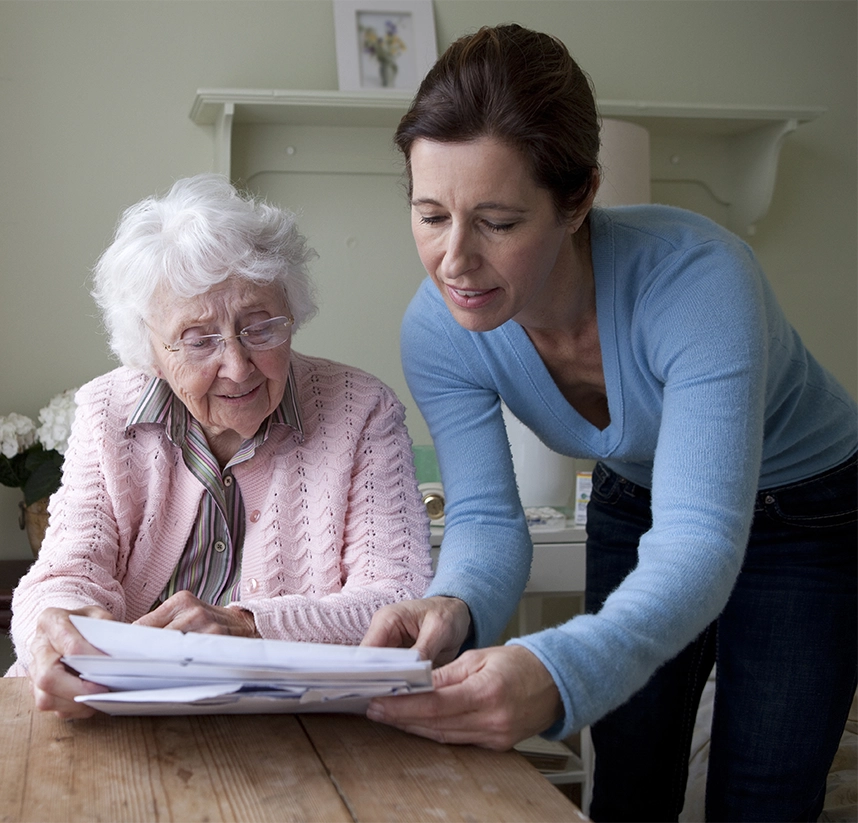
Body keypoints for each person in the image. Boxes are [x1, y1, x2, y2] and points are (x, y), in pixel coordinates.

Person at [361, 23, 858, 822]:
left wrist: (555, 669)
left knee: (763, 797)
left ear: (580, 197)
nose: (454, 260)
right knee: (626, 782)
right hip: (635, 493)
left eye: (498, 221)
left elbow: (699, 540)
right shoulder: (436, 330)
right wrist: (451, 602)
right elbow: (488, 516)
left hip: (809, 510)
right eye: (429, 214)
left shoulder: (701, 282)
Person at [7, 174, 433, 720]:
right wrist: (59, 626)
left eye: (260, 328)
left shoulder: (363, 411)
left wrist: (246, 627)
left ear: (292, 314)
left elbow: (396, 601)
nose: (236, 366)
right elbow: (65, 571)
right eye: (198, 339)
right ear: (150, 350)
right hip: (114, 717)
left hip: (297, 731)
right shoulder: (106, 411)